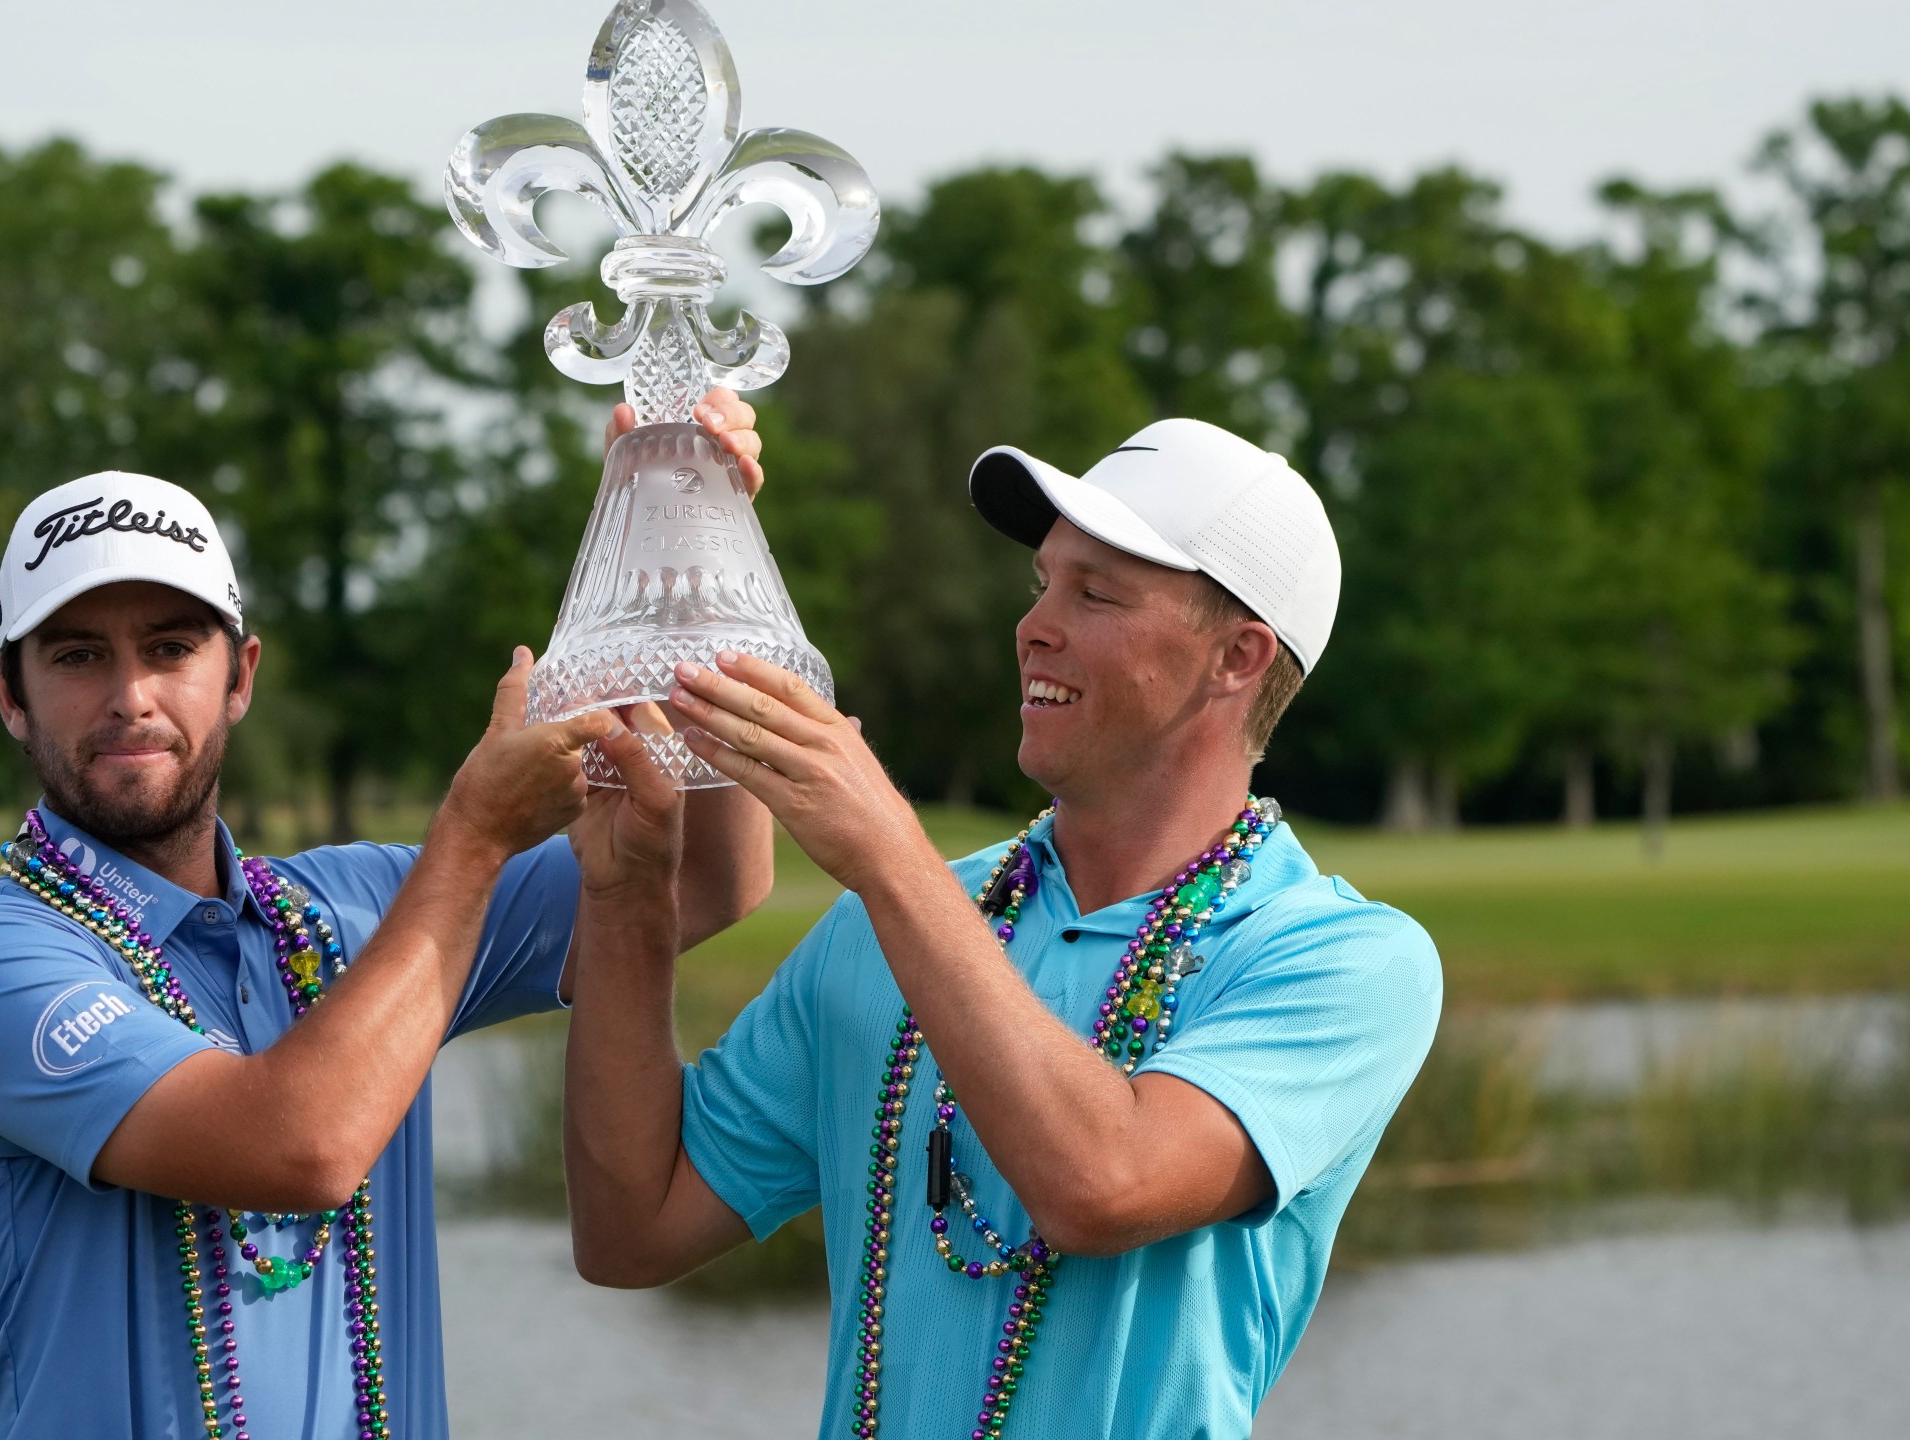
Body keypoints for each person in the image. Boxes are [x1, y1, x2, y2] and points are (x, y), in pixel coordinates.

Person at [0, 392, 772, 1440]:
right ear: (8, 693)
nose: (130, 697)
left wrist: (698, 553)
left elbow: (705, 881)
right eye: (75, 656)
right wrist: (473, 838)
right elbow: (298, 1148)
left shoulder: (356, 909)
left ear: (240, 675)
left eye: (170, 648)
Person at [559, 417, 1444, 1439]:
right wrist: (627, 898)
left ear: (1235, 658)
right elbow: (630, 1230)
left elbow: (1104, 1183)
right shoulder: (882, 927)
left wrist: (889, 853)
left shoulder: (1343, 960)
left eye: (1095, 592)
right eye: (1042, 585)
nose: (1034, 626)